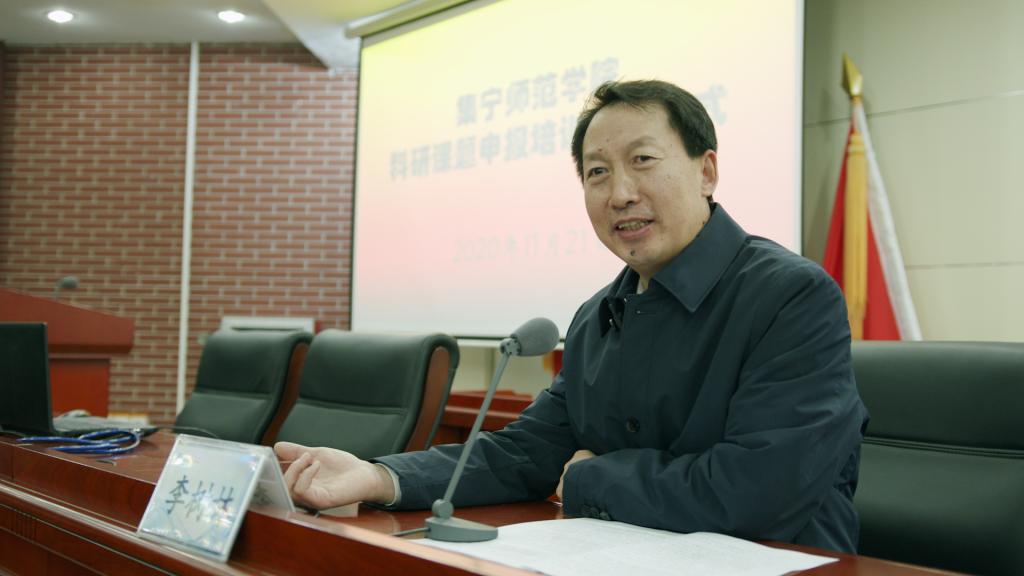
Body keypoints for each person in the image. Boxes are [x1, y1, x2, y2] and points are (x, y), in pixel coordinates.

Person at [275, 79, 869, 553]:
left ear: (706, 171)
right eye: (597, 172)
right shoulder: (598, 315)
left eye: (643, 160)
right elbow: (525, 453)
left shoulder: (790, 296)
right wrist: (378, 477)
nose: (620, 193)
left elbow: (759, 491)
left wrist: (589, 477)